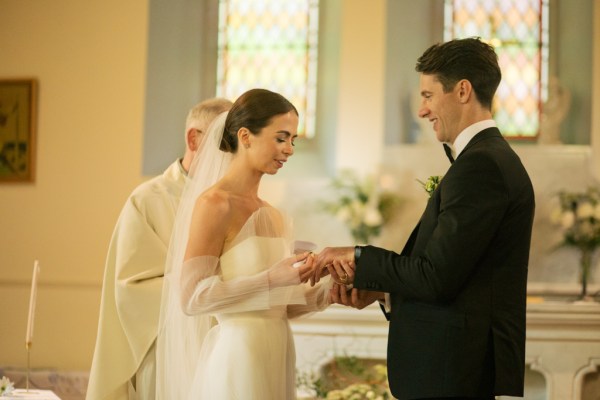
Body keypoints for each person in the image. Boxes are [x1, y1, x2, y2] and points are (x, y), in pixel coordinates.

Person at [312, 37, 535, 400]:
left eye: (429, 95)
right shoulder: (486, 158)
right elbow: (455, 276)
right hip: (455, 370)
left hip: (455, 374)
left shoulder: (482, 165)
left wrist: (356, 255)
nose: (422, 110)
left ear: (462, 90)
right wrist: (383, 292)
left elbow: (436, 277)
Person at [155, 88, 332, 399]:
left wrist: (330, 294)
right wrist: (272, 278)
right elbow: (192, 298)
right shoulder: (214, 204)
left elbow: (275, 307)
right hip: (238, 356)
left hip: (276, 353)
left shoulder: (273, 215)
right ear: (246, 136)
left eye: (293, 140)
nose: (289, 149)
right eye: (281, 138)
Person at [86, 98, 233, 400]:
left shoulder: (237, 202)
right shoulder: (148, 200)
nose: (233, 153)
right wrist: (214, 281)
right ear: (194, 138)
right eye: (226, 140)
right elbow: (132, 289)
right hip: (167, 354)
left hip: (225, 350)